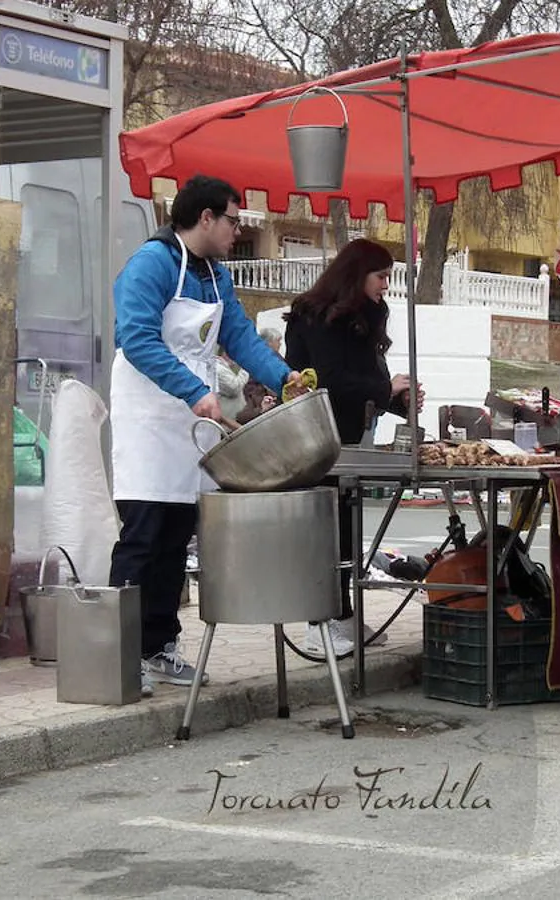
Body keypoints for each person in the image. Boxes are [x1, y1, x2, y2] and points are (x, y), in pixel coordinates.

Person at [108, 175, 305, 696]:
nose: (237, 230)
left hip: (192, 421)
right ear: (206, 218)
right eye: (234, 220)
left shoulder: (216, 277)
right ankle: (119, 656)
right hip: (150, 418)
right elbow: (136, 338)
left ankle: (160, 647)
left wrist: (286, 379)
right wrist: (192, 391)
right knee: (142, 537)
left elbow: (239, 336)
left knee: (176, 538)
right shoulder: (151, 263)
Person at [283, 238, 423, 656]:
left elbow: (365, 380)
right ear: (356, 274)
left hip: (352, 439)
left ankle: (343, 616)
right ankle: (318, 623)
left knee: (348, 530)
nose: (385, 285)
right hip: (317, 438)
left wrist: (397, 398)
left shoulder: (364, 317)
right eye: (381, 277)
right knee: (327, 534)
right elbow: (329, 378)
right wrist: (385, 388)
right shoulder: (317, 317)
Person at [215, 350, 250, 420]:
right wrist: (247, 367)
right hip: (230, 421)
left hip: (233, 419)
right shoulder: (218, 369)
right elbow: (234, 388)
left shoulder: (221, 367)